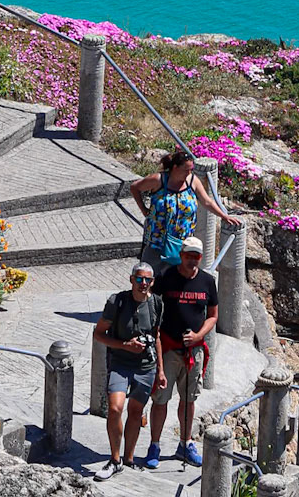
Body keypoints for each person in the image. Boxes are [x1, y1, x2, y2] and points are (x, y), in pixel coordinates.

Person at [146, 233, 217, 468]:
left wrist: (198, 335)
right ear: (181, 255)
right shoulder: (166, 277)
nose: (192, 261)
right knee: (160, 399)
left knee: (188, 400)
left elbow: (213, 316)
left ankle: (185, 444)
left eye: (196, 257)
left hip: (193, 350)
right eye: (188, 256)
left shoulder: (207, 281)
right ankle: (154, 445)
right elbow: (153, 305)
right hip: (168, 347)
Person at [92, 261, 163, 475]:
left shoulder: (157, 304)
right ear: (131, 279)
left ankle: (129, 459)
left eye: (147, 280)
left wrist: (160, 370)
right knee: (115, 408)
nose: (143, 284)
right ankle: (115, 459)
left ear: (152, 282)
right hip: (120, 363)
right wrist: (125, 346)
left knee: (136, 412)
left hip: (145, 366)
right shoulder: (117, 302)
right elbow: (98, 334)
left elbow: (157, 336)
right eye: (139, 279)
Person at [131, 147, 240, 279]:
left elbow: (206, 201)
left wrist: (223, 216)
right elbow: (135, 187)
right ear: (175, 168)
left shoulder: (192, 181)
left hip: (182, 243)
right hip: (157, 242)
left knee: (176, 281)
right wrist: (144, 210)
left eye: (191, 170)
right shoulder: (158, 180)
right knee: (148, 277)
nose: (188, 173)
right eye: (185, 170)